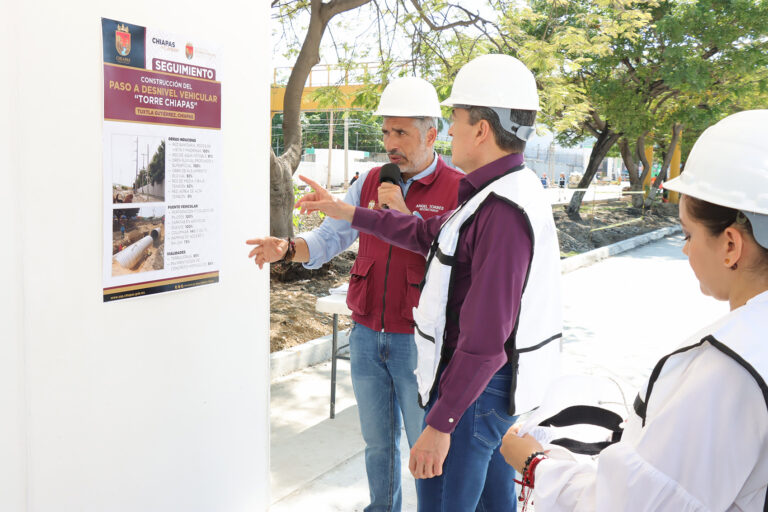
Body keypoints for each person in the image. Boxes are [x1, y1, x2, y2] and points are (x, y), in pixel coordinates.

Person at [294, 54, 562, 512]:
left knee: (443, 502)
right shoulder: (502, 192)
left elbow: (484, 340)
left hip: (477, 390)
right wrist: (349, 212)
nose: (451, 130)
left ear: (481, 129)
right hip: (483, 388)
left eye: (455, 119)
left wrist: (439, 424)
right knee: (493, 501)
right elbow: (429, 235)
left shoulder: (500, 211)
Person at [500, 109, 768, 511]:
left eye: (688, 234)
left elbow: (633, 504)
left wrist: (535, 462)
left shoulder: (727, 371)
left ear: (730, 244)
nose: (685, 248)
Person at [247, 76, 464, 512]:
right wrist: (287, 248)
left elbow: (460, 264)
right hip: (366, 336)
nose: (390, 142)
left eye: (401, 132)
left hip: (422, 345)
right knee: (377, 445)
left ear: (432, 134)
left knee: (429, 453)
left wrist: (405, 215)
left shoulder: (459, 189)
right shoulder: (367, 182)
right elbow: (330, 238)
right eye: (386, 132)